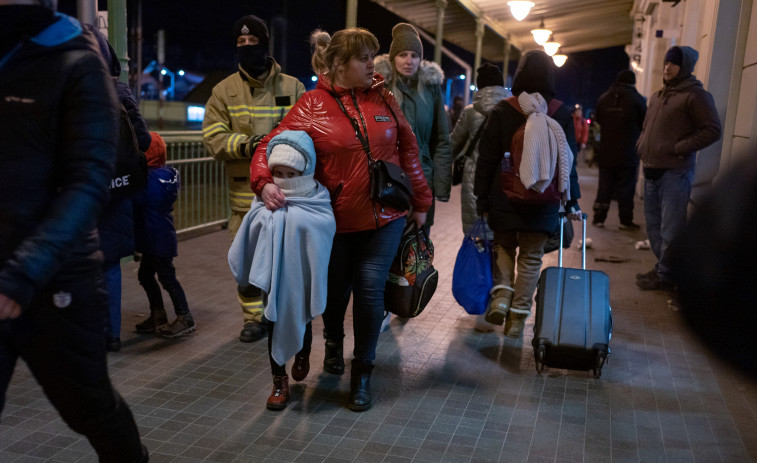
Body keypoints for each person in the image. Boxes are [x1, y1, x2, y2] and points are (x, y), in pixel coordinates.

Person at [250, 28, 432, 411]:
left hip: (386, 216)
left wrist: (422, 200)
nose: (372, 64)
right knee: (335, 291)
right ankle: (333, 342)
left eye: (373, 56)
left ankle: (362, 372)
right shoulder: (313, 104)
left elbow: (408, 149)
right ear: (338, 64)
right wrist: (263, 182)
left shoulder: (384, 96)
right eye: (363, 58)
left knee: (369, 292)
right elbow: (271, 144)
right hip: (332, 221)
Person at [0, 1, 147, 461]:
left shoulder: (76, 59)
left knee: (89, 407)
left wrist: (23, 274)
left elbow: (88, 181)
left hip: (55, 276)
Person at [202, 14, 306, 343]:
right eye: (241, 42)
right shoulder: (223, 91)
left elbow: (307, 134)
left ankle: (278, 314)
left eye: (253, 41)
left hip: (285, 196)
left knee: (283, 262)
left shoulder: (293, 87)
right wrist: (247, 145)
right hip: (242, 198)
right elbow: (213, 138)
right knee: (245, 265)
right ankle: (252, 318)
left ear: (266, 44)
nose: (248, 46)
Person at [474, 50, 582, 338]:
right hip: (543, 199)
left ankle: (501, 297)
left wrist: (481, 197)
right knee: (532, 257)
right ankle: (519, 317)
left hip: (503, 196)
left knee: (504, 247)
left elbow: (486, 158)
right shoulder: (560, 112)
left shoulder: (503, 109)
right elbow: (569, 161)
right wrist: (571, 200)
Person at [229, 131, 336, 411]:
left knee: (304, 316)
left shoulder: (318, 203)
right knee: (274, 319)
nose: (285, 180)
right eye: (278, 172)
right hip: (272, 283)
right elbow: (250, 235)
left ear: (306, 170)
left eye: (292, 173)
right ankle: (279, 380)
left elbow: (322, 237)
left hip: (300, 283)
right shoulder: (264, 204)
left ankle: (303, 351)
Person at [84, 23, 152, 353]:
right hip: (118, 190)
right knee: (110, 265)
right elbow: (144, 140)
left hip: (82, 193)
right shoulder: (121, 92)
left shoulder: (71, 90)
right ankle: (112, 335)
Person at [635, 46, 721, 291]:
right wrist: (641, 144)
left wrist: (680, 147)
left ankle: (666, 274)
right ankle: (665, 268)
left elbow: (712, 130)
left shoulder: (695, 96)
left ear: (685, 67)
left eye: (673, 63)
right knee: (653, 227)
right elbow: (645, 128)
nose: (667, 67)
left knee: (671, 229)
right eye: (666, 63)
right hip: (651, 170)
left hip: (675, 172)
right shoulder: (658, 96)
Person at [449, 62, 510, 333]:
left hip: (476, 186)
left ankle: (482, 309)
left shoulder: (471, 112)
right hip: (505, 187)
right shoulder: (511, 111)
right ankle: (503, 301)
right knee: (504, 247)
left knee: (480, 245)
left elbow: (452, 146)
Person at [374, 23, 452, 233]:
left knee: (417, 255)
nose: (409, 61)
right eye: (402, 54)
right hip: (388, 181)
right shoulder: (379, 87)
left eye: (414, 55)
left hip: (422, 180)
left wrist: (441, 186)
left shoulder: (430, 88)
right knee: (389, 249)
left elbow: (442, 139)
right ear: (393, 58)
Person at [132, 133, 196, 338]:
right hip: (161, 235)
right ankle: (158, 314)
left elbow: (134, 200)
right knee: (147, 275)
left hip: (154, 238)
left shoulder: (145, 181)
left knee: (167, 278)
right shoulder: (168, 175)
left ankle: (185, 317)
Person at [591, 70, 647, 230]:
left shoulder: (604, 98)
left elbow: (599, 120)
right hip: (628, 152)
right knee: (627, 187)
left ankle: (598, 218)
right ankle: (625, 220)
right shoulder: (637, 99)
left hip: (606, 151)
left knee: (604, 186)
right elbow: (644, 122)